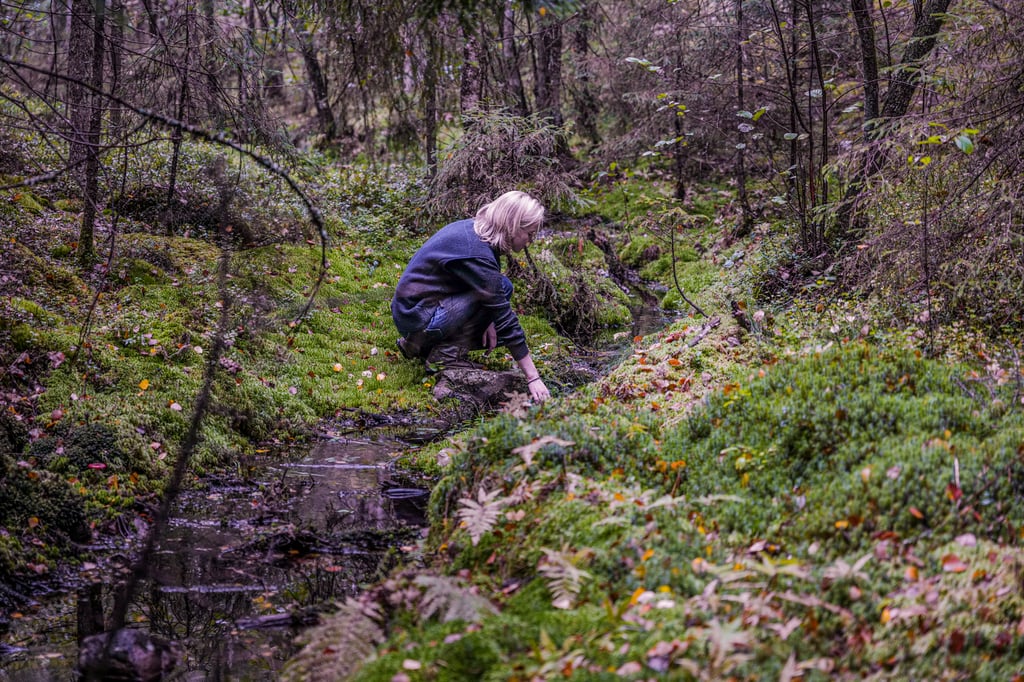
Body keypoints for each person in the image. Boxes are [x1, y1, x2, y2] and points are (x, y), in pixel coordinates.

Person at [391, 190, 551, 402]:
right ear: (514, 225)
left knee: (504, 289)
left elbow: (490, 291)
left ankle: (416, 345)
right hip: (418, 316)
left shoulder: (475, 233)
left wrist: (487, 318)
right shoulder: (476, 252)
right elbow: (504, 315)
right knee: (504, 311)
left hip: (418, 311)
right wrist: (533, 377)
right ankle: (443, 355)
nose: (530, 241)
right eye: (530, 233)